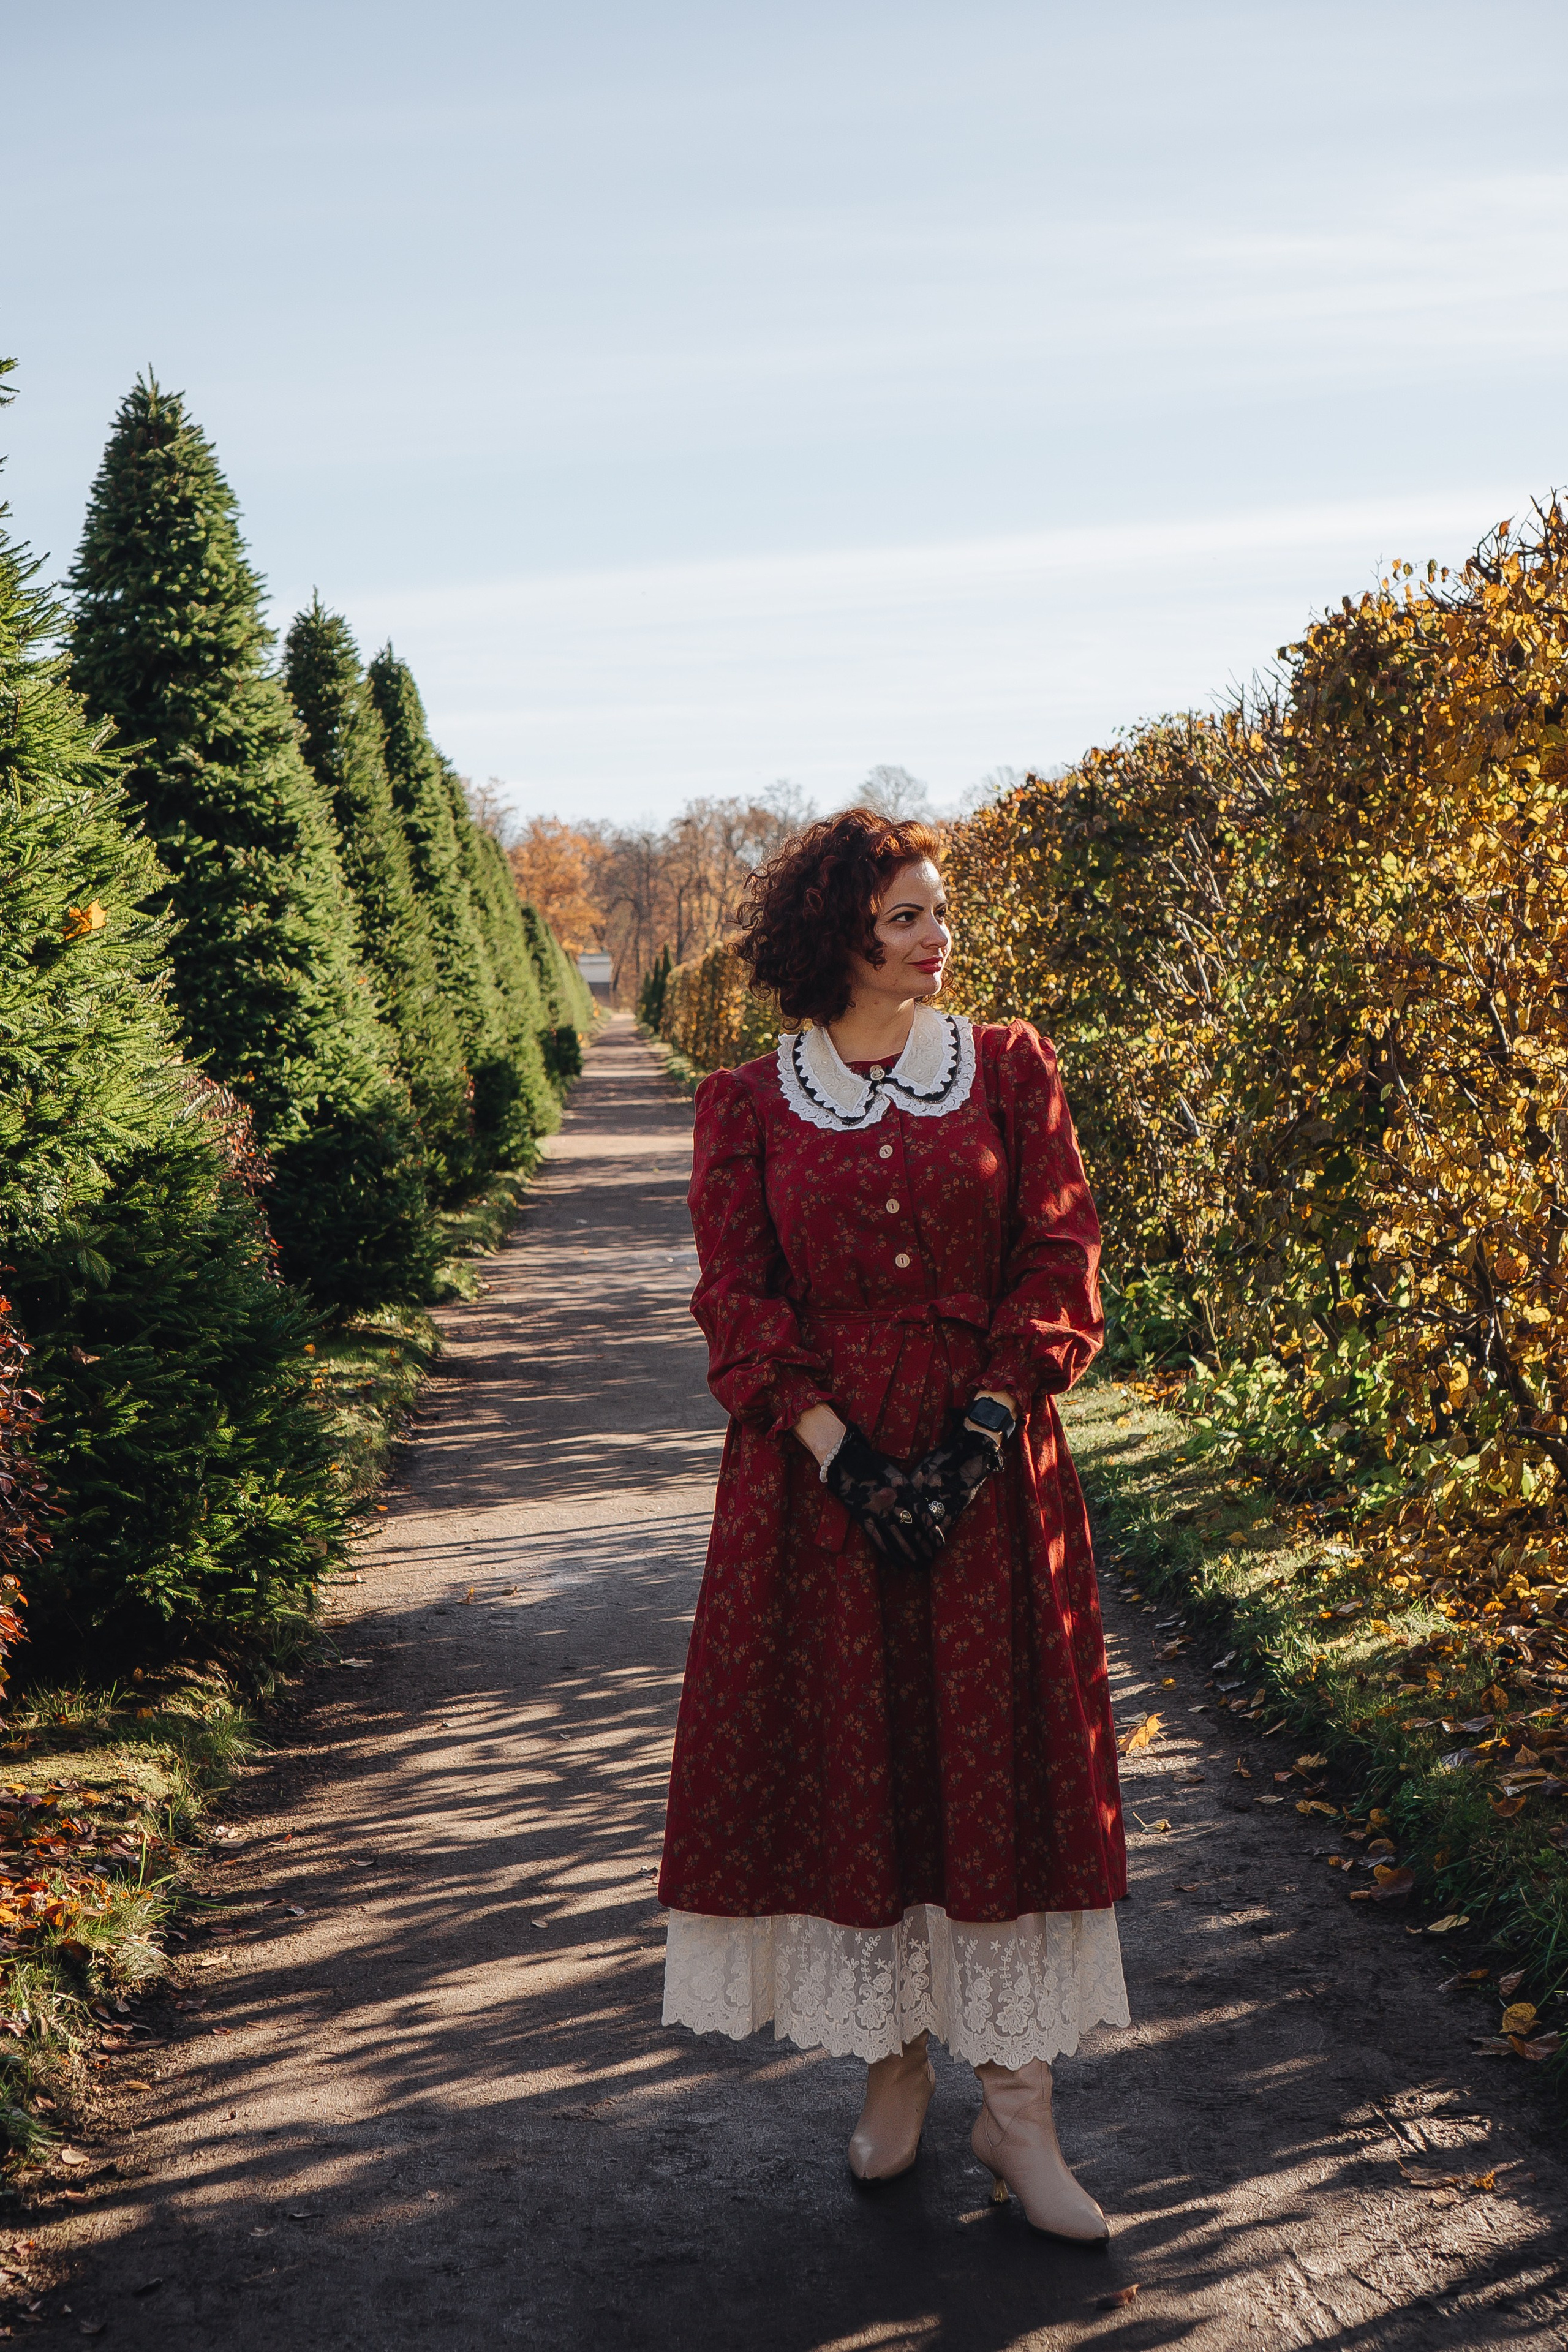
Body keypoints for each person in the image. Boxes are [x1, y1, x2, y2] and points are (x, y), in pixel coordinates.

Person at [657, 807, 1129, 2241]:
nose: (940, 935)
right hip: (818, 1494)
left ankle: (1022, 2113)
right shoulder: (747, 1101)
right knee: (863, 1763)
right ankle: (896, 2075)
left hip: (988, 1480)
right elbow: (737, 1300)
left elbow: (1058, 1249)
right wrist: (842, 1459)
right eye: (910, 914)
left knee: (995, 1770)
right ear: (839, 933)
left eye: (940, 909)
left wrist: (982, 1433)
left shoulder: (1003, 1067)